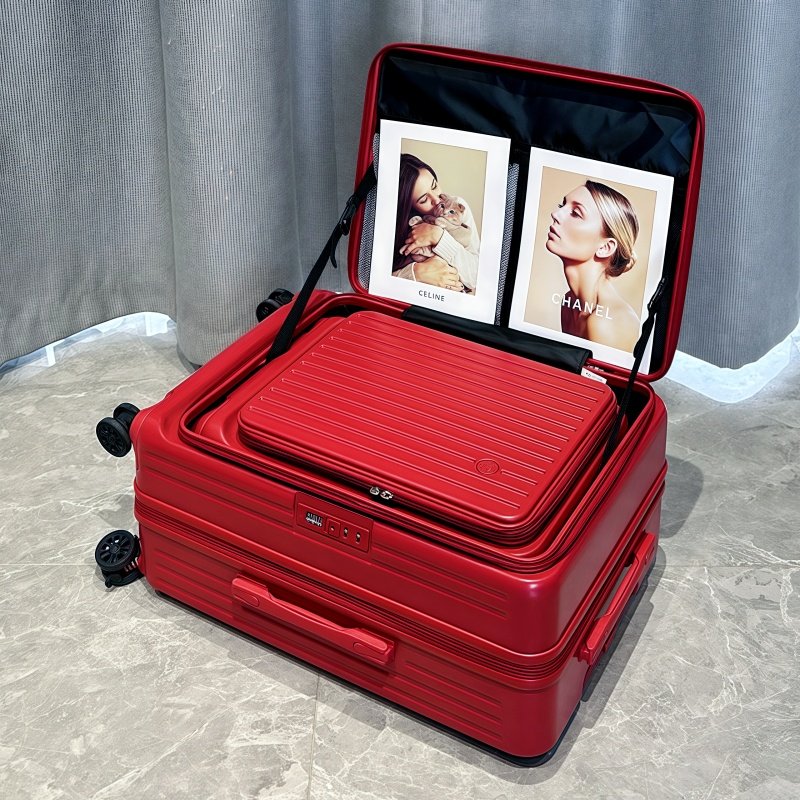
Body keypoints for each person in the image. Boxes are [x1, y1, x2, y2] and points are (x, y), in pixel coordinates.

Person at [546, 180, 641, 351]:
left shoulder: (606, 323)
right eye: (562, 205)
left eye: (575, 213)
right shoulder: (570, 304)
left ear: (605, 247)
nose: (555, 214)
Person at [391, 154, 481, 292]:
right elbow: (375, 283)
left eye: (434, 186)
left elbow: (476, 277)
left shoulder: (457, 208)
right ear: (408, 208)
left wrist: (438, 236)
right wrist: (418, 273)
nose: (437, 200)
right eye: (423, 200)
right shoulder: (398, 226)